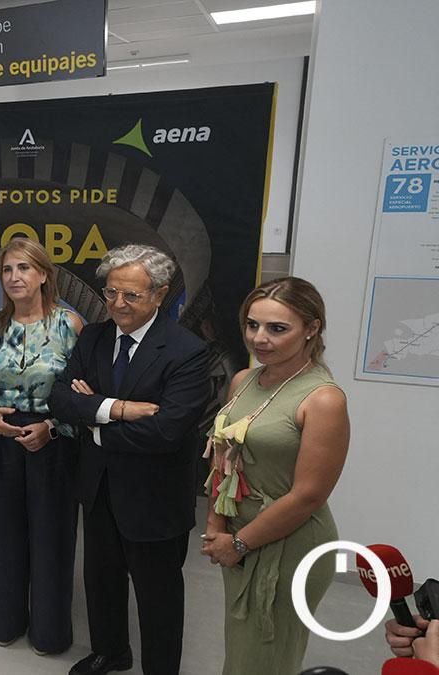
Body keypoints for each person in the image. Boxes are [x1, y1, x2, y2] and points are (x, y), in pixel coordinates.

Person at [48, 243, 211, 675]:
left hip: (154, 498)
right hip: (99, 486)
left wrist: (94, 418)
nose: (118, 304)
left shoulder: (187, 351)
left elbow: (165, 431)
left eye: (132, 295)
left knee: (158, 595)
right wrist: (117, 409)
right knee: (101, 580)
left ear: (159, 295)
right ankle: (110, 651)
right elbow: (61, 399)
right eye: (111, 292)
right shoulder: (95, 337)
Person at [199, 276, 349, 675]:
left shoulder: (323, 399)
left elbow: (308, 497)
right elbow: (224, 457)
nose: (259, 338)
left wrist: (240, 544)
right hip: (239, 534)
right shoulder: (243, 380)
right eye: (252, 325)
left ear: (311, 328)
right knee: (243, 647)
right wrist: (216, 524)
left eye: (277, 328)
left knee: (267, 655)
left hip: (291, 544)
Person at [0, 237, 81, 649]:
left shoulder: (68, 325)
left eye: (24, 268)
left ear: (44, 275)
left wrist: (52, 426)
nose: (15, 277)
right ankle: (4, 621)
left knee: (52, 538)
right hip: (0, 436)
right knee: (2, 535)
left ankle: (50, 633)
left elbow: (78, 392)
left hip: (53, 441)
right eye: (7, 269)